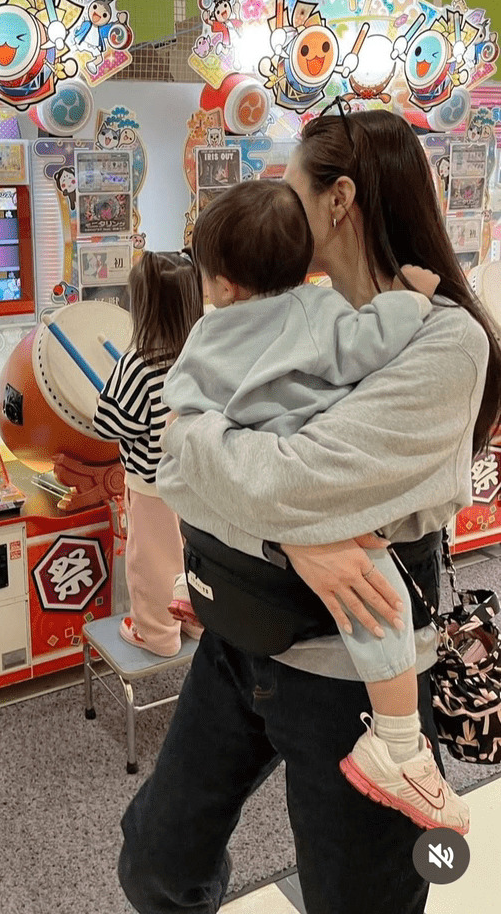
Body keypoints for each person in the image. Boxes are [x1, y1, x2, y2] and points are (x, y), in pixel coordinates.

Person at [118, 107, 501, 914]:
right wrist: (294, 541)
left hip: (349, 663)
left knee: (358, 896)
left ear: (339, 200)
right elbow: (184, 465)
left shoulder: (447, 343)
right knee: (155, 859)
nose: (276, 208)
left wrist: (206, 454)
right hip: (243, 629)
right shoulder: (300, 316)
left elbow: (270, 478)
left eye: (289, 189)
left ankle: (403, 754)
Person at [162, 178, 467, 832]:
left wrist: (210, 441)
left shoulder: (205, 336)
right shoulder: (321, 311)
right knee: (380, 606)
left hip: (238, 510)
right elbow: (373, 340)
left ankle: (197, 583)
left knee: (201, 502)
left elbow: (181, 426)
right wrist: (413, 298)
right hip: (314, 509)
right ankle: (398, 743)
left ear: (220, 285)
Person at [93, 251, 203, 655]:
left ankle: (156, 632)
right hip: (198, 479)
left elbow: (108, 424)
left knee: (152, 562)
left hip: (152, 485)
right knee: (194, 554)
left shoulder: (137, 363)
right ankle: (197, 622)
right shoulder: (201, 353)